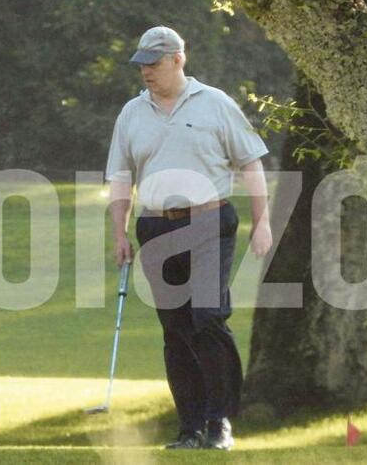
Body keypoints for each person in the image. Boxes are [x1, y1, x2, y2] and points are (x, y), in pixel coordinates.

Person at [105, 26, 272, 450]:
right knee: (176, 330)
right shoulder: (132, 112)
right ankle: (190, 427)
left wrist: (263, 221)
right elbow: (121, 177)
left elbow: (251, 164)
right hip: (156, 226)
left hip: (208, 221)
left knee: (209, 318)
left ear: (179, 58)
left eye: (154, 63)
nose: (146, 71)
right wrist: (119, 234)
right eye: (141, 64)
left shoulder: (215, 103)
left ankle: (220, 423)